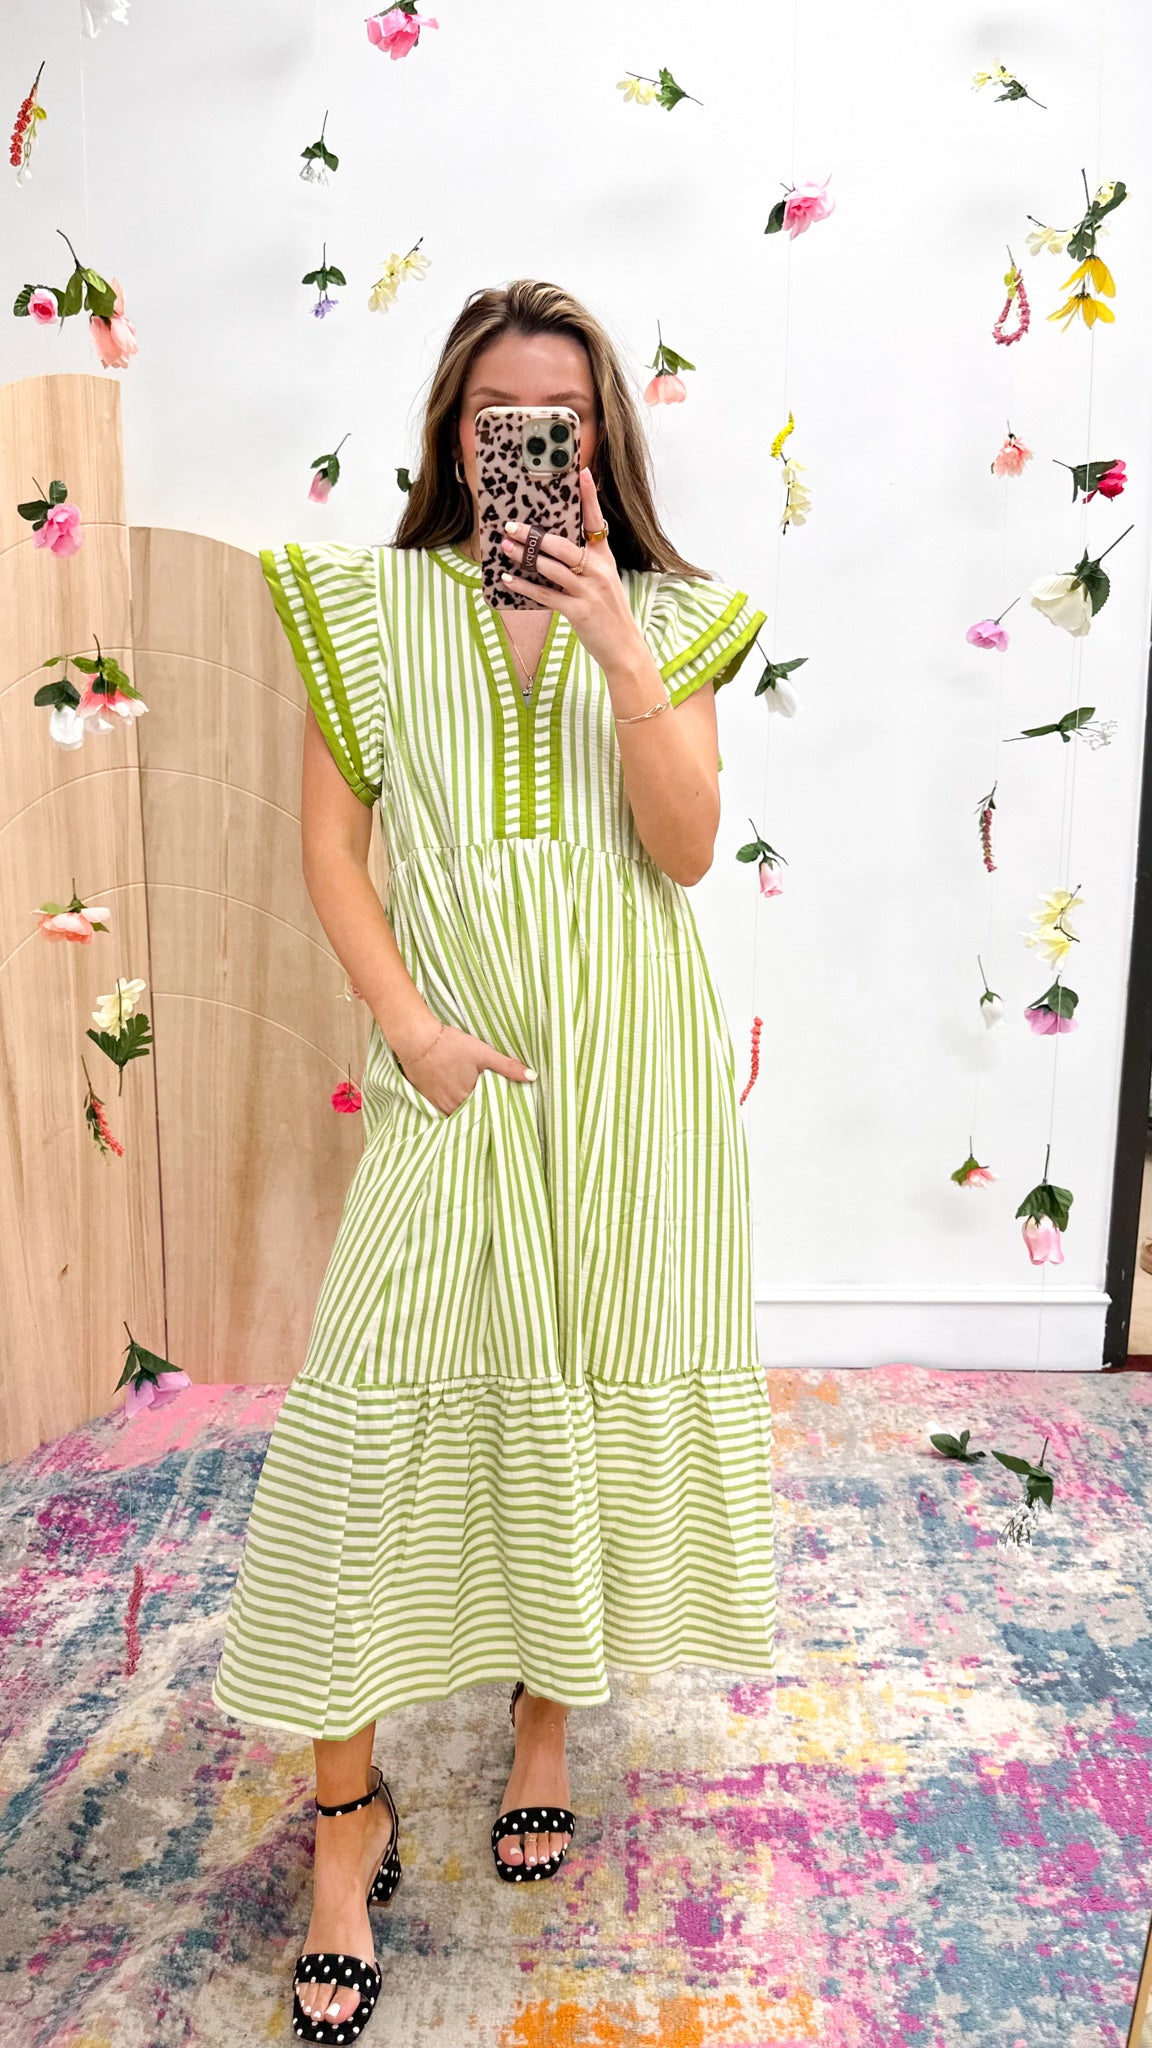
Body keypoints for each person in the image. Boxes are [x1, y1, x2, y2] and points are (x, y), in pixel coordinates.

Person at [210, 277, 779, 2042]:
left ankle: (546, 1718)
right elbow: (335, 855)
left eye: (562, 422)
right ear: (455, 439)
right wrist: (414, 1036)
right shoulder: (373, 610)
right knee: (363, 1425)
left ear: (601, 442)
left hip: (632, 1080)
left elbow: (683, 852)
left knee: (584, 1385)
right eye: (496, 422)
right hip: (456, 1075)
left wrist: (620, 645)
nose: (529, 447)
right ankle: (346, 1823)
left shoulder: (674, 615)